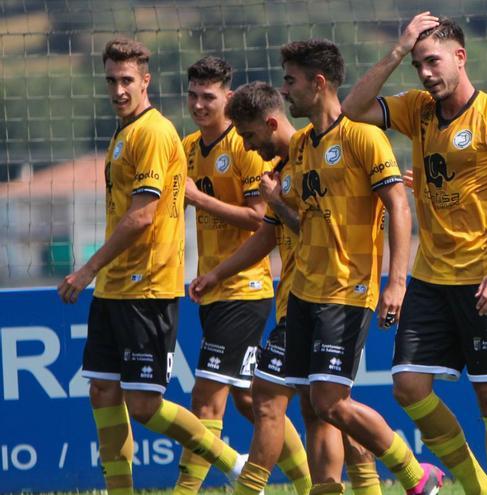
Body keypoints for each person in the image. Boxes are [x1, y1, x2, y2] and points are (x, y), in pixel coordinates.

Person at [208, 41, 441, 495]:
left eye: (291, 80)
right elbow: (294, 224)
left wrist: (397, 282)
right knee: (299, 402)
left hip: (346, 290)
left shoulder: (361, 136)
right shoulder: (300, 151)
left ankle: (416, 475)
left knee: (329, 402)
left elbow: (398, 204)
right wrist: (275, 205)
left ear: (318, 84)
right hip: (302, 295)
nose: (285, 89)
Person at [343, 13, 487, 495]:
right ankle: (474, 486)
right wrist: (397, 51)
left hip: (484, 277)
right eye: (418, 65)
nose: (426, 73)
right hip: (430, 276)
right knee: (408, 387)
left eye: (432, 61)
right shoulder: (417, 109)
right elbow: (352, 109)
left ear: (460, 56)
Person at [57, 37, 246, 495]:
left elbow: (142, 216)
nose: (118, 90)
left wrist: (85, 271)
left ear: (146, 81)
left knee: (143, 405)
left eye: (127, 80)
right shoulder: (123, 133)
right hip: (115, 288)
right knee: (102, 390)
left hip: (147, 287)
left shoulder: (155, 133)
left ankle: (233, 462)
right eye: (111, 80)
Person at [192, 81, 385, 495]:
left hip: (329, 296)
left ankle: (408, 475)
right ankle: (351, 487)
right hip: (295, 300)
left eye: (248, 136)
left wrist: (276, 202)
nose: (246, 144)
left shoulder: (310, 154)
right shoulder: (283, 165)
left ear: (270, 122)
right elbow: (269, 235)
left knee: (272, 397)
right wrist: (217, 273)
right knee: (322, 408)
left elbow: (314, 227)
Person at [173, 58, 311, 495]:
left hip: (246, 288)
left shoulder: (247, 146)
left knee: (206, 398)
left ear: (227, 98)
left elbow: (258, 220)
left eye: (208, 96)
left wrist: (196, 197)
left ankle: (191, 489)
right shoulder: (188, 145)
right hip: (215, 285)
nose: (198, 104)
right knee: (251, 400)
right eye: (193, 95)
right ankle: (307, 483)